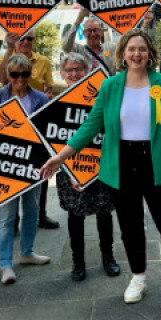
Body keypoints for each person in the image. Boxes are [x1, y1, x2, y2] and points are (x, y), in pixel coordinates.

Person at [41, 29, 161, 313]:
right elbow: (91, 126)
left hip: (156, 163)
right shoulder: (111, 86)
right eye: (131, 49)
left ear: (150, 53)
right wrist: (62, 156)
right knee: (129, 227)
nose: (136, 54)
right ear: (123, 54)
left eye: (142, 49)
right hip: (121, 164)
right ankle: (138, 277)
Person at [53, 53, 120, 281]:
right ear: (62, 74)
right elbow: (53, 138)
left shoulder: (101, 97)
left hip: (100, 165)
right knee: (75, 216)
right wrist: (72, 170)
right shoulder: (56, 99)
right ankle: (78, 262)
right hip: (69, 168)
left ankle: (108, 257)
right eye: (69, 70)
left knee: (104, 212)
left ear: (87, 71)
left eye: (78, 69)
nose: (74, 74)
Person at [0, 54, 51, 284]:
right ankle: (5, 265)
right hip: (5, 166)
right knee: (6, 216)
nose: (20, 79)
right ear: (8, 76)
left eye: (24, 74)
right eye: (14, 74)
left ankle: (27, 252)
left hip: (33, 164)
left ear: (30, 75)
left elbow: (48, 129)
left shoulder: (40, 98)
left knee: (32, 210)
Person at [0, 30, 58, 229]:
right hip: (10, 127)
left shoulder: (43, 61)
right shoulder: (6, 57)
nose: (25, 41)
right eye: (21, 38)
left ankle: (40, 215)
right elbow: (0, 77)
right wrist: (9, 48)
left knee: (39, 172)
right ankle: (12, 220)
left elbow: (48, 88)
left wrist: (47, 99)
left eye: (29, 38)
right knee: (12, 174)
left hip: (34, 122)